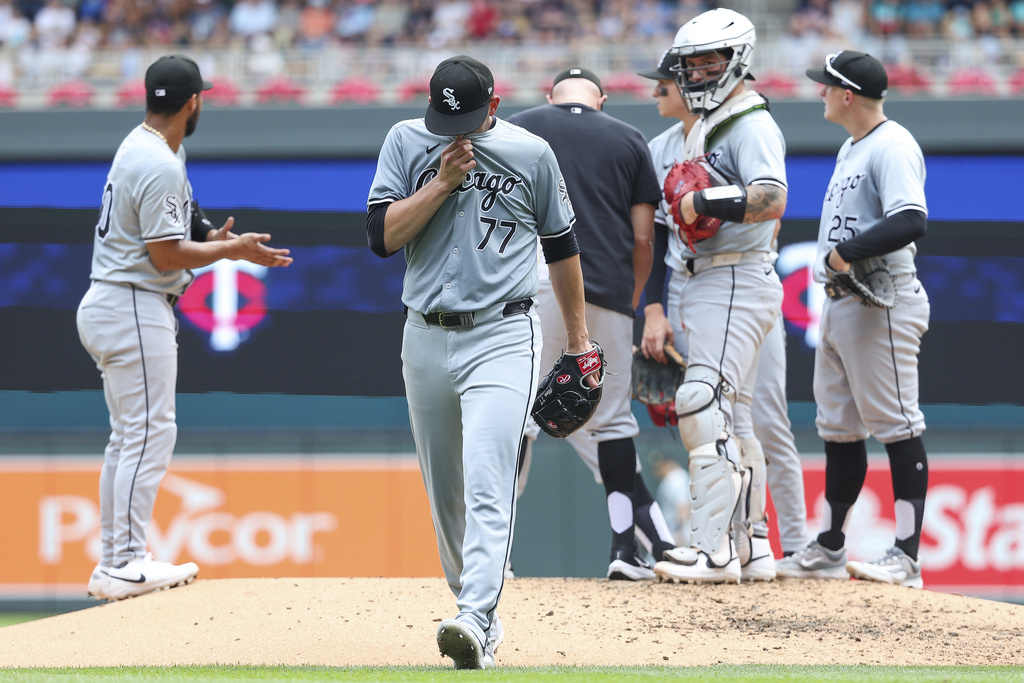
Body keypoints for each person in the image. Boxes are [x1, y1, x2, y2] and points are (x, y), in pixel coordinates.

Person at [365, 55, 597, 669]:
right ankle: (477, 611)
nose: (453, 128)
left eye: (466, 116)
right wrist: (440, 182)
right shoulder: (406, 142)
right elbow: (381, 237)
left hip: (501, 333)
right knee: (446, 493)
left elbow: (562, 246)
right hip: (424, 333)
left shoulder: (531, 154)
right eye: (444, 116)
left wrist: (578, 339)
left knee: (490, 476)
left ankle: (473, 615)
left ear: (493, 107)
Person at [77, 54, 293, 602]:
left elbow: (178, 227)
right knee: (150, 432)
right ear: (194, 101)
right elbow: (167, 255)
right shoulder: (159, 162)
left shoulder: (145, 145)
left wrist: (206, 233)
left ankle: (117, 558)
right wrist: (231, 249)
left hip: (114, 301)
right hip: (132, 302)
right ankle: (122, 561)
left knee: (129, 437)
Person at [638, 49, 805, 581]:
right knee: (736, 419)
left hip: (731, 274)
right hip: (725, 274)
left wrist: (702, 203)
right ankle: (752, 545)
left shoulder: (749, 122)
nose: (682, 78)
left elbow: (772, 198)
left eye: (699, 65)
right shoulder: (706, 128)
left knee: (702, 402)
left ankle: (713, 551)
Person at [506, 67, 676, 581]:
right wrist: (630, 297)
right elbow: (644, 238)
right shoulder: (629, 138)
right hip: (603, 289)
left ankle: (495, 558)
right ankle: (625, 550)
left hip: (530, 287)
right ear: (603, 99)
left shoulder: (518, 128)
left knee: (516, 420)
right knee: (614, 424)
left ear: (549, 95)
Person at [776, 51, 929, 588]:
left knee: (897, 423)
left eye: (826, 86)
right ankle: (830, 546)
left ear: (847, 95)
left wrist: (844, 254)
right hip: (843, 303)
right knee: (839, 428)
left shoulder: (893, 144)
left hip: (880, 300)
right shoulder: (851, 146)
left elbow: (911, 219)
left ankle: (907, 556)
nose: (819, 92)